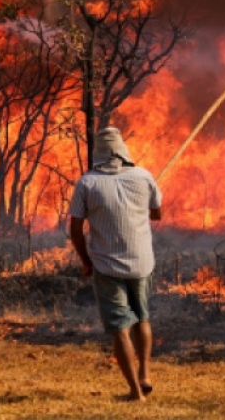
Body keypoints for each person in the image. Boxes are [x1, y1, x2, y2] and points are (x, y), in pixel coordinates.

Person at [69, 127, 162, 401]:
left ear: (97, 154)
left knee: (120, 327)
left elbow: (75, 229)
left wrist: (85, 261)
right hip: (141, 262)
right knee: (141, 318)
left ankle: (135, 392)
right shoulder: (143, 176)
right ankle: (144, 374)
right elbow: (157, 214)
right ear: (123, 150)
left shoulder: (87, 183)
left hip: (107, 266)